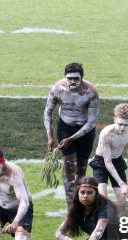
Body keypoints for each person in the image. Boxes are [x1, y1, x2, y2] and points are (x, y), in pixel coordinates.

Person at [43, 62, 99, 205]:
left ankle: (80, 204)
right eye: (70, 78)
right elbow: (48, 112)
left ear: (82, 78)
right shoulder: (57, 89)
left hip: (85, 131)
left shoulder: (91, 92)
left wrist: (72, 139)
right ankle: (71, 207)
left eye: (76, 78)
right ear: (65, 77)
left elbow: (92, 122)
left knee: (81, 169)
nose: (73, 81)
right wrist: (50, 137)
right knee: (69, 170)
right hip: (65, 127)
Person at [89, 103, 128, 206]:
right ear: (115, 119)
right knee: (102, 200)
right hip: (101, 163)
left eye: (126, 125)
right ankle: (101, 221)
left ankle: (119, 222)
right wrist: (122, 184)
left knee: (122, 201)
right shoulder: (106, 133)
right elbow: (107, 161)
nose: (122, 128)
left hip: (117, 161)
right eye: (120, 124)